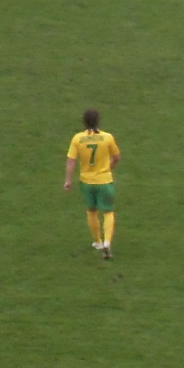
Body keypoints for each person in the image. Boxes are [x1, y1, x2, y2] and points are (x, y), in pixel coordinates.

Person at [63, 108, 122, 259]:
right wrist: (109, 167)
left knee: (91, 211)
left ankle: (98, 242)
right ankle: (107, 242)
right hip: (104, 180)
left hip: (87, 181)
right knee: (108, 212)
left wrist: (68, 180)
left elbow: (71, 161)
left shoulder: (77, 139)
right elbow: (117, 157)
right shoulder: (107, 137)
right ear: (98, 121)